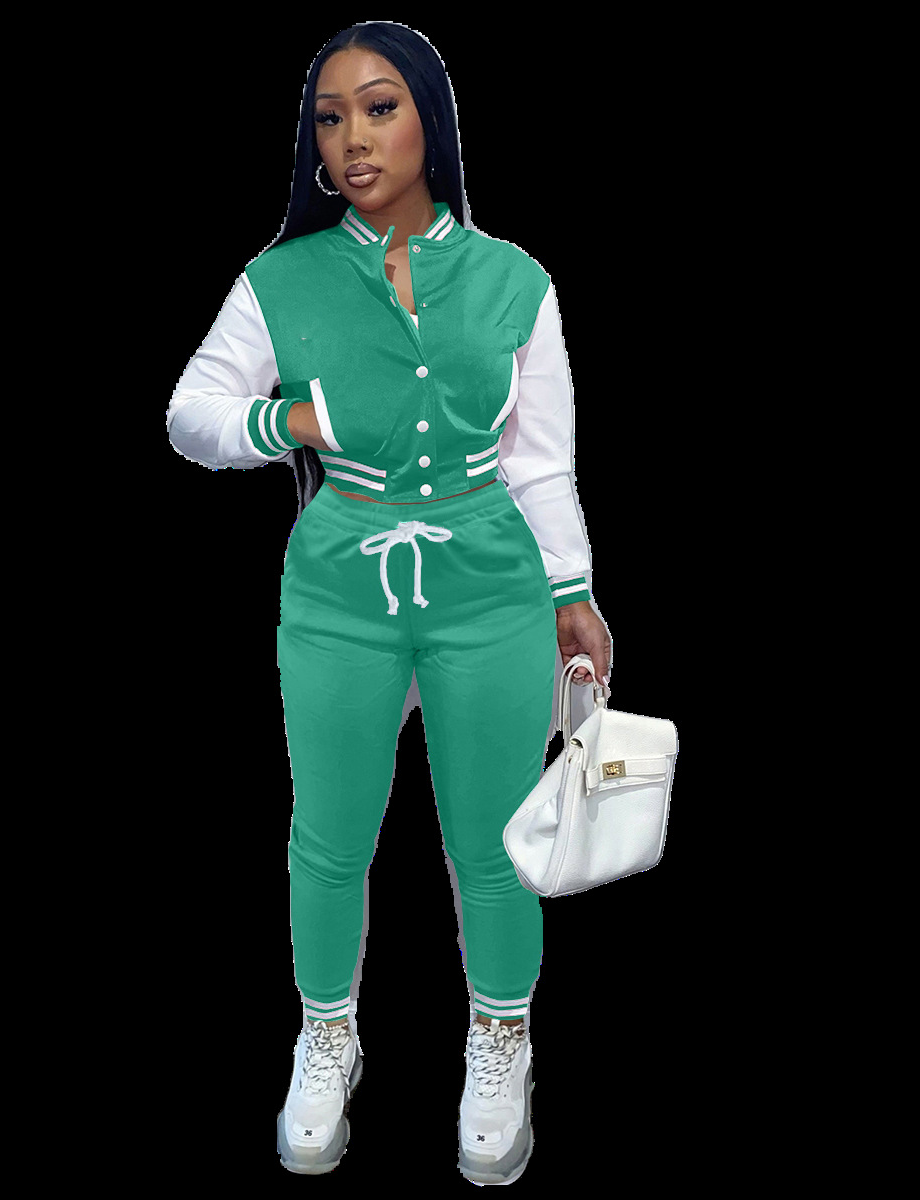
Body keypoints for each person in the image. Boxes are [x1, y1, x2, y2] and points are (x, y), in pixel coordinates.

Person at [166, 22, 612, 1184]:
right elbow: (191, 412)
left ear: (431, 121)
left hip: (490, 586)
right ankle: (327, 1034)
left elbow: (539, 460)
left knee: (494, 839)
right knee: (329, 833)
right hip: (339, 589)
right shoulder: (281, 279)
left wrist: (573, 592)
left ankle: (501, 1035)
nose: (353, 139)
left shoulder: (516, 280)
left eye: (378, 108)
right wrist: (289, 421)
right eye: (330, 118)